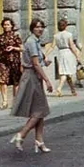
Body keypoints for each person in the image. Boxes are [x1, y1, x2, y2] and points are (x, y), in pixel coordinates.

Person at [9, 19, 55, 154]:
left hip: (35, 76)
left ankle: (39, 141)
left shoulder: (35, 42)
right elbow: (34, 64)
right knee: (40, 110)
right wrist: (47, 80)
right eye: (37, 27)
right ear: (32, 29)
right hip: (32, 77)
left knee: (39, 110)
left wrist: (45, 62)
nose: (40, 29)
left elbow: (38, 61)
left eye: (42, 27)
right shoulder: (31, 42)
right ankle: (21, 134)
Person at [0, 18, 23, 109]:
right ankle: (4, 101)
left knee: (16, 81)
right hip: (3, 61)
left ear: (12, 26)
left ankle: (15, 101)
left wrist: (13, 48)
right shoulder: (0, 37)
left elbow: (22, 48)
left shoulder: (16, 36)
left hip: (14, 61)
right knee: (2, 81)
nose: (6, 26)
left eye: (8, 24)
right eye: (4, 25)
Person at [53, 19, 81, 97]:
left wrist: (46, 54)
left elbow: (52, 46)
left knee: (66, 72)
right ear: (65, 26)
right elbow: (72, 46)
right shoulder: (69, 35)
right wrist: (77, 56)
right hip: (68, 53)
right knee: (66, 73)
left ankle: (73, 90)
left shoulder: (56, 36)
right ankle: (59, 88)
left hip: (60, 53)